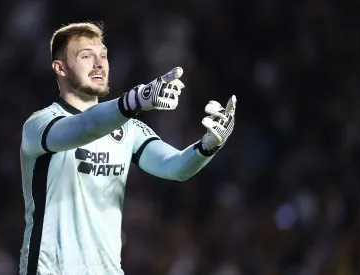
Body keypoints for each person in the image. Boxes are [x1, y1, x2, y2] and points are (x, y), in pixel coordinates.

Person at [18, 22, 237, 275]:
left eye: (103, 56)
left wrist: (207, 147)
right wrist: (135, 100)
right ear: (60, 68)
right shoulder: (40, 124)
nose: (99, 64)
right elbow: (85, 127)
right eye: (86, 56)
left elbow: (175, 167)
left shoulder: (129, 128)